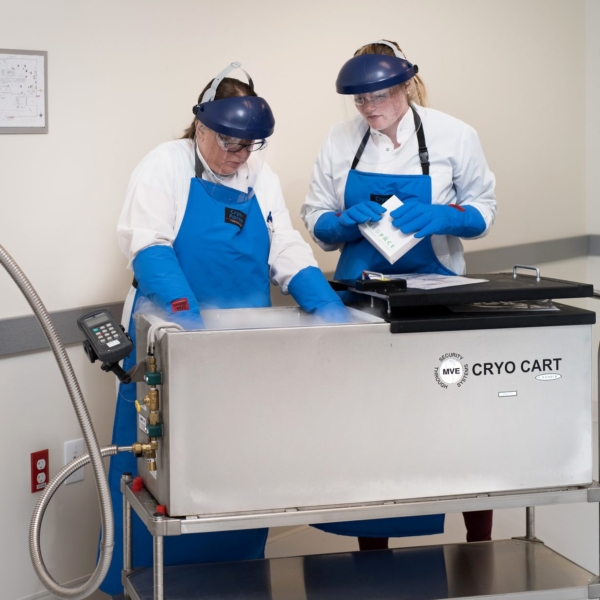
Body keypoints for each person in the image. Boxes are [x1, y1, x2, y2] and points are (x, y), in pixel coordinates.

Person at [101, 62, 347, 596]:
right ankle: (146, 581)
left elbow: (284, 246)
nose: (239, 157)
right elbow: (147, 244)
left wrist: (323, 301)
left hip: (241, 348)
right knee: (160, 471)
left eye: (249, 146)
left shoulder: (260, 176)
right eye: (230, 144)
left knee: (239, 469)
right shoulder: (164, 164)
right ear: (201, 128)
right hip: (173, 338)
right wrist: (187, 314)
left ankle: (238, 579)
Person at [301, 40, 497, 550]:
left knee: (458, 426)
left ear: (405, 84)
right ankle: (373, 555)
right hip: (360, 301)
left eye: (380, 96)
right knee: (372, 429)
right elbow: (314, 216)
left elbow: (484, 209)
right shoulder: (340, 141)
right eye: (360, 100)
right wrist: (340, 223)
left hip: (438, 301)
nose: (370, 109)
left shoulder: (454, 135)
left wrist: (446, 215)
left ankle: (479, 546)